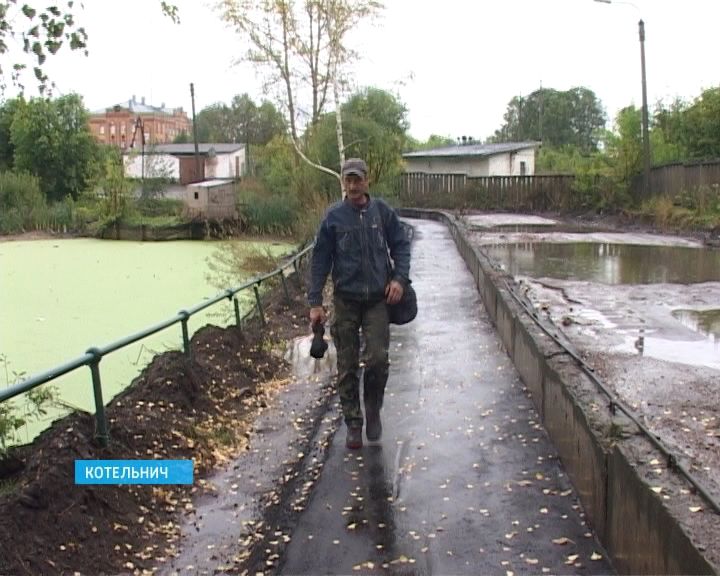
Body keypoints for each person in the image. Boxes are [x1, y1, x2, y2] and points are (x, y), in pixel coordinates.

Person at [308, 158, 411, 449]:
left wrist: (399, 280)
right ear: (343, 182)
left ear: (367, 181)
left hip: (378, 299)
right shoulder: (334, 218)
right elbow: (320, 260)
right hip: (346, 300)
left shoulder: (382, 213)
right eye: (348, 180)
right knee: (347, 365)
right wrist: (315, 301)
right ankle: (353, 422)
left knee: (378, 358)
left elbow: (401, 245)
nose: (353, 185)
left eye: (357, 180)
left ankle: (373, 408)